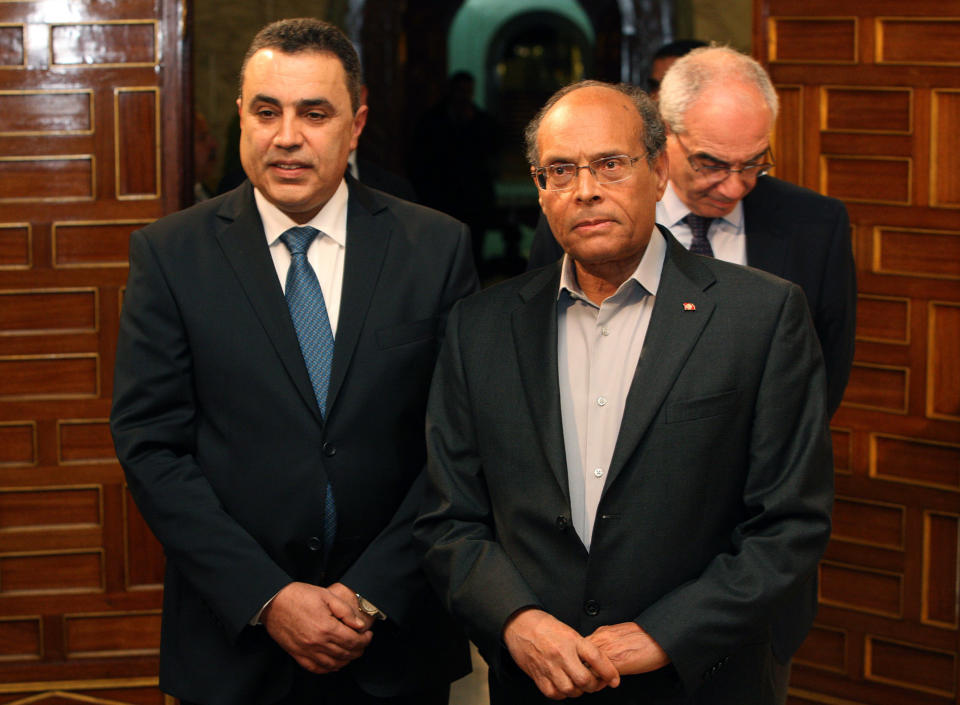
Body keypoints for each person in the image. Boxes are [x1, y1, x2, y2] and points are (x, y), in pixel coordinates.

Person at [415, 80, 833, 704]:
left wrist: (666, 634)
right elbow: (449, 518)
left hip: (697, 678)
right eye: (561, 170)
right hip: (537, 681)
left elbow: (789, 524)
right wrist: (515, 621)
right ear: (540, 188)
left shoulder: (761, 316)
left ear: (659, 170)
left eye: (611, 164)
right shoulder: (480, 328)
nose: (586, 190)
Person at [110, 18, 477, 705]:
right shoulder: (170, 254)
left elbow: (458, 445)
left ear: (357, 122)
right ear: (241, 115)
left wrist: (369, 593)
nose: (287, 136)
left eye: (314, 113)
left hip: (394, 641)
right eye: (266, 111)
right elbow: (151, 445)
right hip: (236, 639)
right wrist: (269, 596)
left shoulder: (434, 247)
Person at [528, 46, 856, 421]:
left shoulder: (815, 224)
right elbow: (544, 344)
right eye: (710, 163)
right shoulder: (586, 220)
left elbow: (824, 367)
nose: (734, 188)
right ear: (664, 137)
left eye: (753, 164)